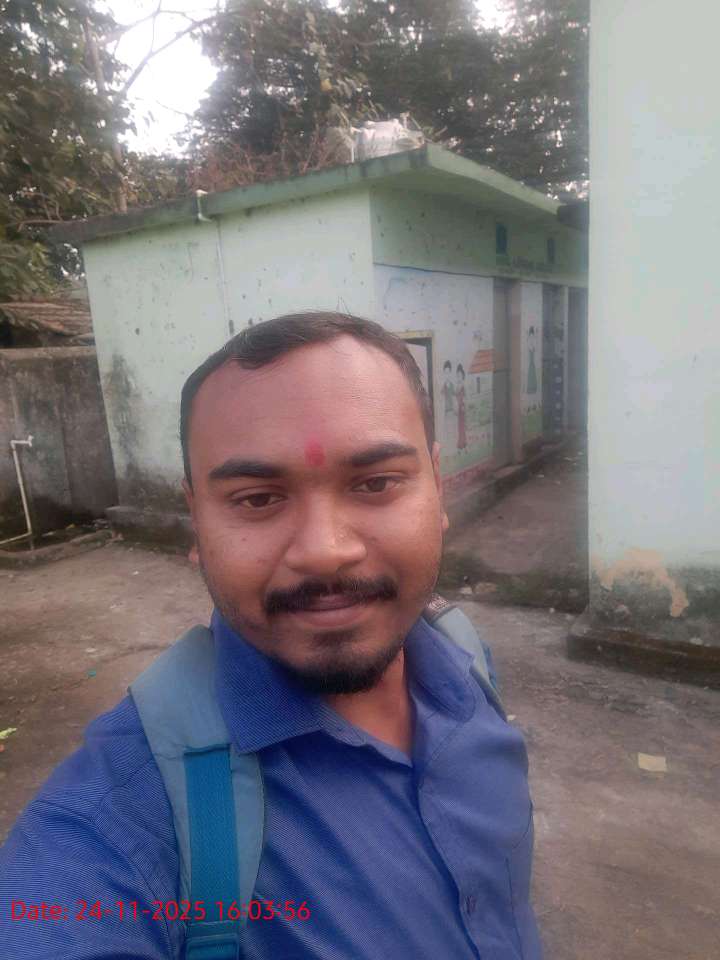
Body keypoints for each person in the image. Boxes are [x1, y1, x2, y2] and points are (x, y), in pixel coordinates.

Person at [0, 312, 542, 959]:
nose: (325, 552)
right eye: (257, 498)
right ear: (196, 521)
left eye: (376, 483)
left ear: (437, 486)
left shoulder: (464, 658)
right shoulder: (118, 816)